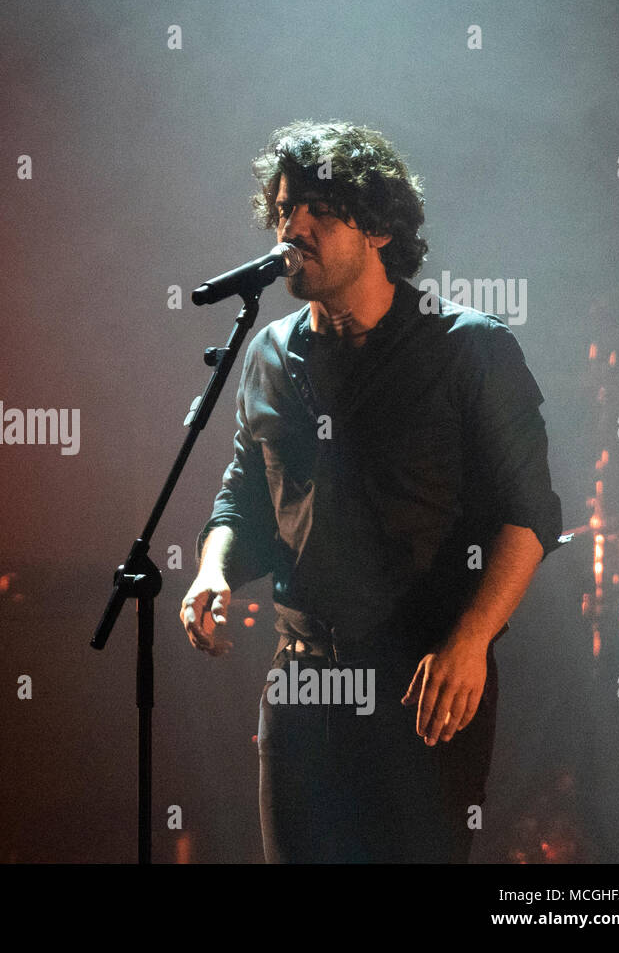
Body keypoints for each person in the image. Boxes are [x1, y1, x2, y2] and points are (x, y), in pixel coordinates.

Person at [179, 121, 563, 863]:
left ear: (380, 227)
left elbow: (531, 514)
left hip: (420, 686)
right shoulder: (265, 353)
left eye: (319, 208)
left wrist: (472, 640)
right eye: (286, 209)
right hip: (300, 684)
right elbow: (242, 501)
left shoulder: (468, 348)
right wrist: (212, 570)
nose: (294, 226)